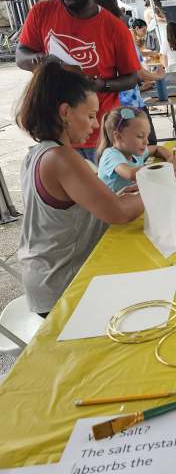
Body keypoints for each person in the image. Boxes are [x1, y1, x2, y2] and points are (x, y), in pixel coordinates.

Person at [15, 61, 144, 317]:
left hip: (44, 277)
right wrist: (160, 189)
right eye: (89, 115)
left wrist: (112, 199)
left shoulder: (38, 153)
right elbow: (119, 213)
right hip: (61, 285)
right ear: (65, 112)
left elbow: (65, 215)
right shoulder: (62, 158)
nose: (96, 125)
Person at [16, 0, 140, 162]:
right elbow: (21, 56)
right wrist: (43, 61)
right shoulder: (41, 12)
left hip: (100, 136)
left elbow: (132, 78)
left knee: (106, 192)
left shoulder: (114, 28)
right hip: (55, 133)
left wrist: (101, 85)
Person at [92, 0, 160, 150]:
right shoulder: (120, 31)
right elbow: (137, 72)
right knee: (146, 148)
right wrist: (159, 76)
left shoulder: (96, 36)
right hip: (131, 106)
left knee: (120, 149)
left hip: (110, 109)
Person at [97, 107, 176, 192]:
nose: (147, 141)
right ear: (118, 136)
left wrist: (170, 158)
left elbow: (157, 148)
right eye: (140, 136)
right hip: (114, 203)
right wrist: (167, 168)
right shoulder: (111, 155)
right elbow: (131, 174)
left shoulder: (133, 152)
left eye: (147, 136)